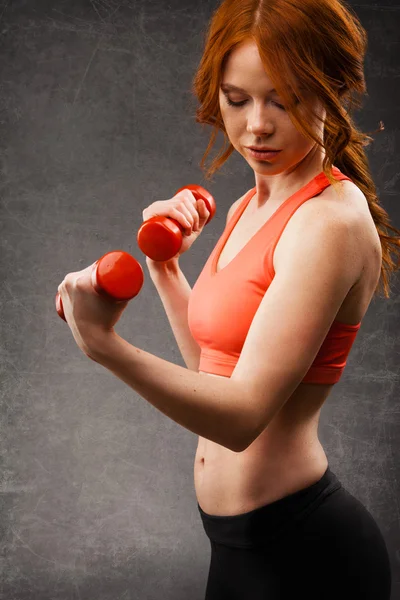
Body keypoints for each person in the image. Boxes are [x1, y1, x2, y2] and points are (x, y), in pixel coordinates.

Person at [58, 0, 399, 598]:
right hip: (237, 545)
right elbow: (213, 375)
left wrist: (104, 346)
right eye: (237, 99)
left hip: (305, 554)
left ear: (333, 91)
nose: (257, 125)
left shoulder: (330, 223)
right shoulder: (249, 204)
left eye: (285, 98)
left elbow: (242, 418)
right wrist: (165, 269)